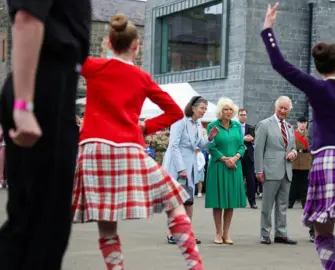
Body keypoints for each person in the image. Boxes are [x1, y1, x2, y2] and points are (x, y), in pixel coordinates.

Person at [71, 14, 204, 270]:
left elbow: (68, 56)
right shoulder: (141, 77)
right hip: (128, 148)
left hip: (93, 148)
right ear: (136, 46)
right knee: (175, 199)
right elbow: (175, 112)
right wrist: (144, 127)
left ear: (108, 43)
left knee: (107, 220)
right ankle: (195, 265)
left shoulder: (94, 67)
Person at [261, 3, 335, 266]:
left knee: (323, 226)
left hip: (327, 159)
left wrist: (268, 28)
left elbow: (279, 64)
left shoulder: (315, 87)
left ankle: (331, 266)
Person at [0, 0, 91, 269]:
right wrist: (24, 105)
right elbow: (27, 17)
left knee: (45, 225)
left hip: (56, 87)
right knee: (38, 226)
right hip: (44, 85)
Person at [162, 96, 219, 245]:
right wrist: (181, 168)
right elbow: (173, 146)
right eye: (202, 108)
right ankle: (172, 234)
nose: (204, 111)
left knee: (189, 201)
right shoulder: (180, 121)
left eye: (205, 109)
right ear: (193, 108)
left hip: (191, 165)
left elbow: (199, 144)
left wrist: (210, 138)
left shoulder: (198, 123)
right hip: (177, 165)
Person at [255, 96, 298, 245]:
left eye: (286, 109)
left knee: (283, 205)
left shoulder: (290, 127)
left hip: (287, 170)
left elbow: (293, 147)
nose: (283, 111)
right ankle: (265, 234)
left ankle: (281, 233)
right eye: (281, 107)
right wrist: (258, 170)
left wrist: (294, 153)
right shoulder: (264, 124)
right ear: (275, 107)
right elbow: (258, 150)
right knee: (267, 205)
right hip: (269, 170)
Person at [205, 97, 246, 245]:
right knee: (218, 201)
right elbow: (211, 146)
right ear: (220, 111)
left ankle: (227, 233)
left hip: (234, 166)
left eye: (230, 109)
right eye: (225, 109)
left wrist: (235, 158)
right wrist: (225, 159)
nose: (228, 112)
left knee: (230, 201)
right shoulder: (212, 126)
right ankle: (218, 232)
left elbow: (242, 146)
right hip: (218, 166)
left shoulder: (236, 126)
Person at [288, 116, 312, 209]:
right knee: (293, 183)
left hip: (306, 160)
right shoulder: (293, 134)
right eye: (301, 122)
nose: (303, 124)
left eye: (304, 123)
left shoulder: (309, 134)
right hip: (295, 159)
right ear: (297, 123)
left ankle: (304, 203)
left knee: (305, 184)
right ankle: (290, 202)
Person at [238, 108, 257, 209]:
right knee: (239, 179)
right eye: (241, 115)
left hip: (249, 156)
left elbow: (253, 138)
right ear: (238, 116)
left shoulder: (250, 127)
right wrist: (243, 138)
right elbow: (235, 139)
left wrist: (251, 139)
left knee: (251, 180)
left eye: (244, 115)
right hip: (238, 156)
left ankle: (252, 201)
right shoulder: (234, 127)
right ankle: (240, 201)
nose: (243, 116)